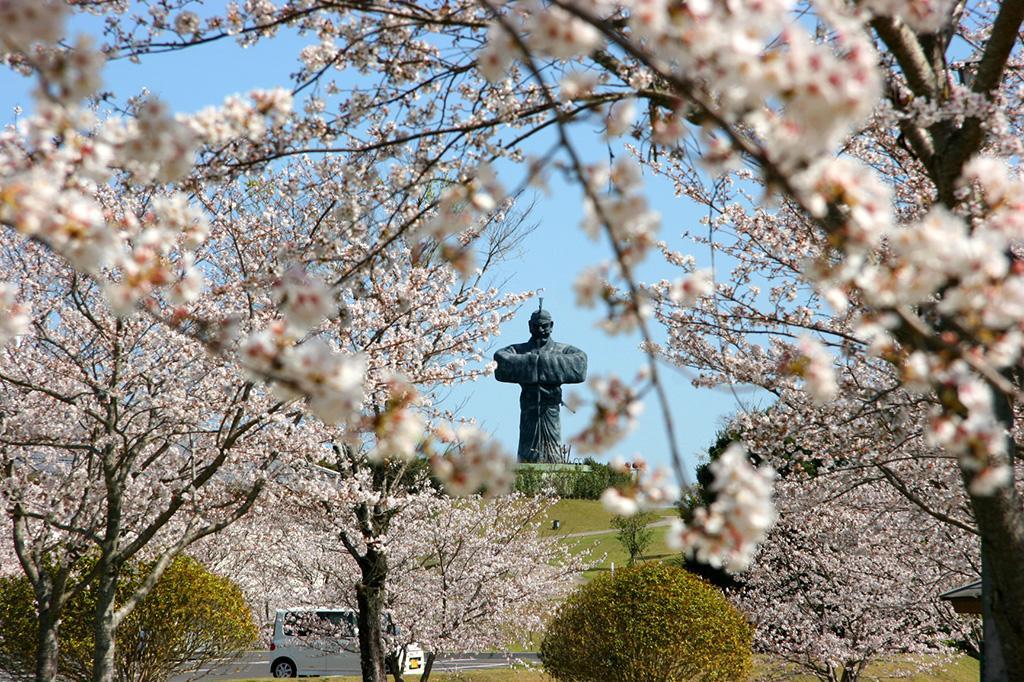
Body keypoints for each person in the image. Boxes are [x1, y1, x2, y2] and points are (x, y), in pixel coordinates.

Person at [494, 306, 587, 463]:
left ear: (552, 326)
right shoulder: (519, 349)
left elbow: (580, 363)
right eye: (536, 326)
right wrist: (533, 362)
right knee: (527, 449)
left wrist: (539, 362)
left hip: (550, 407)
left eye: (545, 326)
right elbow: (501, 359)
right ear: (529, 326)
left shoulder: (562, 350)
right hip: (529, 405)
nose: (541, 330)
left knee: (553, 450)